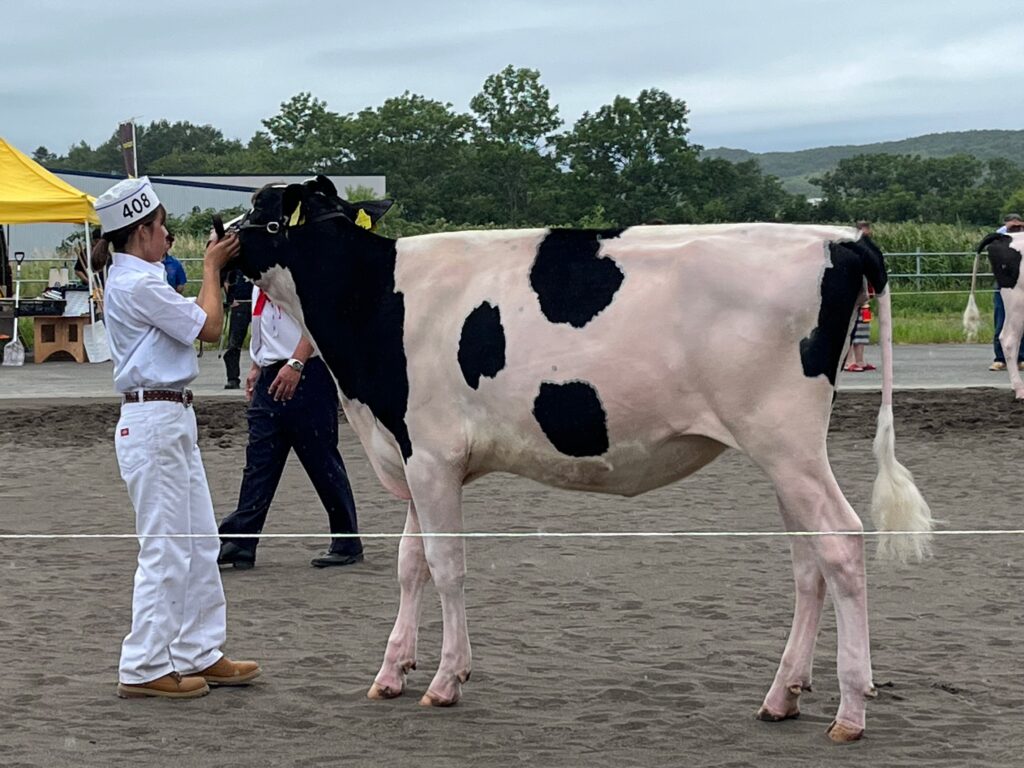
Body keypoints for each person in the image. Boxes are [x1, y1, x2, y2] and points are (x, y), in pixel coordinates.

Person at [94, 176, 260, 699]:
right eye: (162, 226)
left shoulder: (136, 279)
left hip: (166, 417)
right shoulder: (137, 283)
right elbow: (209, 327)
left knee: (198, 539)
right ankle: (143, 665)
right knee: (166, 546)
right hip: (154, 419)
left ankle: (198, 650)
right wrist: (212, 266)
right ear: (142, 231)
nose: (167, 235)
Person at [217, 284, 363, 570]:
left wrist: (295, 363)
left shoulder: (298, 270)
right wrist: (258, 364)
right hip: (271, 371)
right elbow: (264, 322)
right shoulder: (262, 278)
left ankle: (347, 538)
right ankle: (241, 539)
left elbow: (318, 320)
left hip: (307, 371)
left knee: (321, 459)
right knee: (259, 461)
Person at [989, 213, 1024, 371]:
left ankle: (1020, 357)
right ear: (1006, 226)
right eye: (1013, 227)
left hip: (1021, 283)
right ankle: (1000, 358)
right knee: (1001, 319)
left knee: (1020, 322)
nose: (1016, 229)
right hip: (1005, 283)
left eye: (1019, 226)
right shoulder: (999, 238)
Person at [843, 220, 877, 373]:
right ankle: (848, 361)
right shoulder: (849, 251)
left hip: (865, 298)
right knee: (850, 329)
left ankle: (860, 360)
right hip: (851, 298)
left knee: (863, 329)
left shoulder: (867, 252)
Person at [221, 268, 252, 389]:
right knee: (234, 344)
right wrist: (230, 299)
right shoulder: (235, 259)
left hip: (258, 303)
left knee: (266, 341)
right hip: (240, 303)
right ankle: (232, 378)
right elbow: (225, 279)